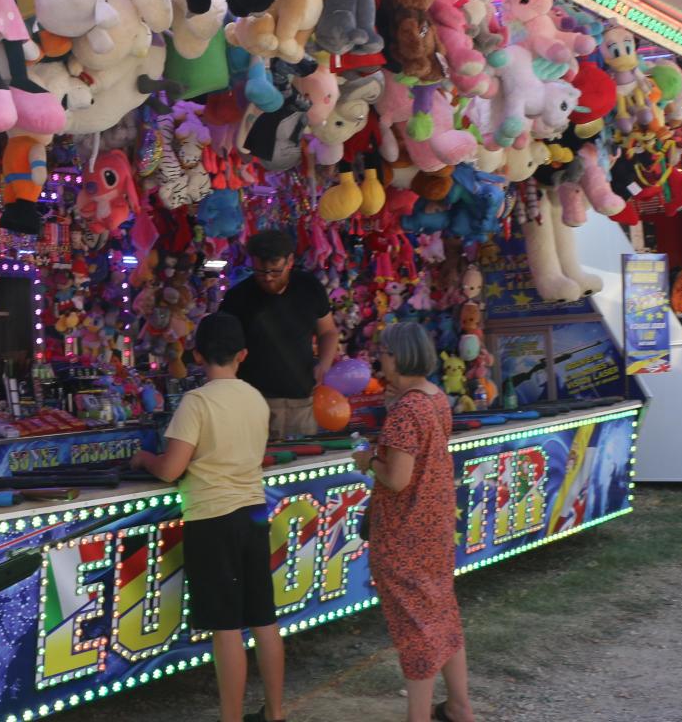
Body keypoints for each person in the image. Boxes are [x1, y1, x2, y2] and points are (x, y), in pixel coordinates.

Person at [132, 312, 285, 722]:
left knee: (227, 627)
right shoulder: (255, 398)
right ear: (243, 354)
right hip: (253, 514)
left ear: (197, 355)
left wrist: (144, 458)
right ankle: (275, 712)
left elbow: (171, 469)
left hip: (213, 519)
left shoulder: (196, 402)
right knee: (264, 618)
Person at [352, 322, 475, 722]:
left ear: (400, 356)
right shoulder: (434, 397)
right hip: (434, 525)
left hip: (405, 532)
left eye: (384, 352)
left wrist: (368, 460)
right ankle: (458, 706)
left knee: (415, 630)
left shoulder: (407, 411)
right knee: (442, 614)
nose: (380, 359)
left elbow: (397, 478)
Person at [218, 229, 340, 438]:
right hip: (254, 401)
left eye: (275, 272)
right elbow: (224, 350)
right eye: (260, 272)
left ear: (289, 261)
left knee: (301, 454)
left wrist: (324, 365)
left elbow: (328, 331)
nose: (267, 278)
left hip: (301, 399)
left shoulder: (309, 287)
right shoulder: (237, 298)